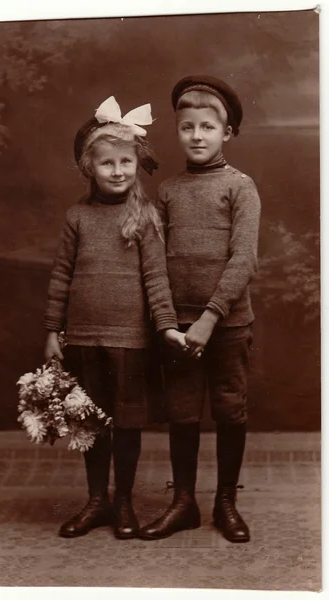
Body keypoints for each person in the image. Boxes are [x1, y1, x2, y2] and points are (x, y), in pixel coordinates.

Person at [43, 96, 185, 540]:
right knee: (91, 421)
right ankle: (97, 501)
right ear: (90, 167)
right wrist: (52, 331)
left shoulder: (144, 216)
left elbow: (157, 278)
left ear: (138, 164)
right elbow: (61, 276)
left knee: (125, 423)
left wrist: (165, 326)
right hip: (84, 336)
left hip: (130, 338)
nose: (118, 171)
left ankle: (123, 501)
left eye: (126, 161)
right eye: (108, 163)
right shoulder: (77, 217)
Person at [138, 75, 261, 543]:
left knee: (229, 410)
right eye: (187, 127)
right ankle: (183, 502)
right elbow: (155, 258)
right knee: (182, 411)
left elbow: (244, 258)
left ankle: (225, 502)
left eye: (207, 127)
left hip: (226, 325)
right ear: (177, 132)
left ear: (226, 133)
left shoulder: (240, 188)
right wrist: (168, 323)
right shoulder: (168, 190)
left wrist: (210, 317)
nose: (197, 136)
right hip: (178, 329)